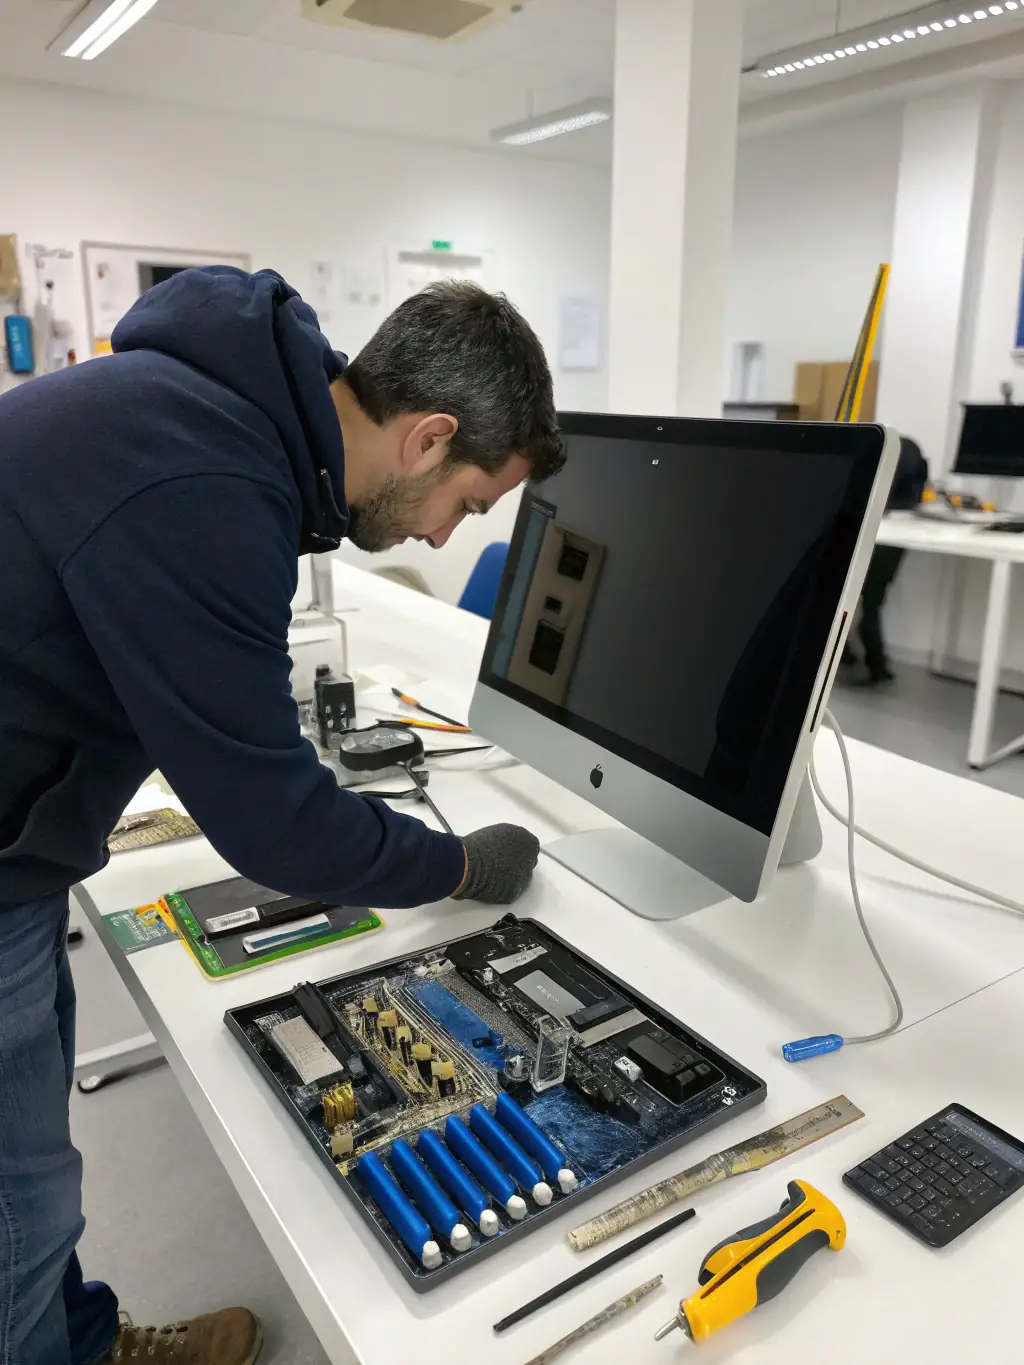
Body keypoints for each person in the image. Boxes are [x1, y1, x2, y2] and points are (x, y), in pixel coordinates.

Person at [0, 267, 564, 1365]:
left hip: (21, 835)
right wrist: (458, 868)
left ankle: (77, 1342)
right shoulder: (207, 477)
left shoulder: (216, 413)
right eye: (470, 503)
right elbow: (274, 828)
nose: (451, 540)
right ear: (427, 436)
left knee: (31, 1170)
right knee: (17, 1206)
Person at [843, 434, 928, 685]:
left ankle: (865, 661)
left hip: (878, 534)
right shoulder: (911, 454)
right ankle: (871, 661)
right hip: (894, 534)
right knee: (870, 602)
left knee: (855, 600)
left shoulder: (882, 457)